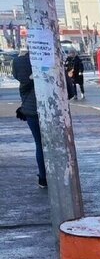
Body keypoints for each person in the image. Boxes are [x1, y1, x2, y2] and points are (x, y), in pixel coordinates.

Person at [11, 51, 46, 188]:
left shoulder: (18, 64)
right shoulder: (46, 58)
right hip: (49, 108)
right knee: (56, 142)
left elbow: (15, 75)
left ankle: (43, 177)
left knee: (39, 144)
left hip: (30, 110)